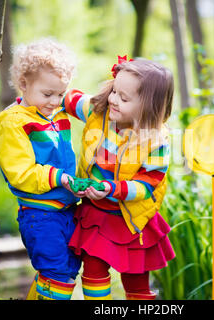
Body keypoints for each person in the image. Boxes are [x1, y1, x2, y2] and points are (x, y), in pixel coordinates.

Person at [64, 56, 176, 300]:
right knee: (93, 272)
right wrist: (31, 100)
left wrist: (110, 188)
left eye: (124, 98)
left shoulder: (155, 141)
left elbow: (146, 185)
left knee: (136, 280)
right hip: (96, 214)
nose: (114, 99)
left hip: (132, 219)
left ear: (149, 107)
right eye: (114, 90)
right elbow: (66, 97)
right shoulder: (99, 112)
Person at [0, 38, 84, 300]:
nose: (56, 102)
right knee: (56, 275)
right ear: (24, 84)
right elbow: (20, 173)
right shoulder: (13, 122)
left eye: (60, 94)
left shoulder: (54, 114)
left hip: (67, 209)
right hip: (40, 215)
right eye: (48, 94)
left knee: (66, 273)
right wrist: (60, 178)